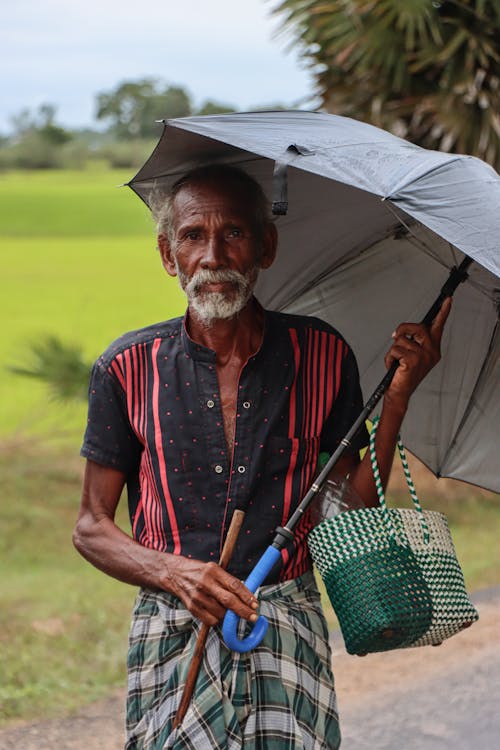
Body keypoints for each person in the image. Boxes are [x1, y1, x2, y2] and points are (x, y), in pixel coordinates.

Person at [74, 164, 450, 749]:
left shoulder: (323, 354)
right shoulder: (126, 368)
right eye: (193, 236)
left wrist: (396, 399)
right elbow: (91, 528)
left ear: (266, 246)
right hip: (175, 627)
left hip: (286, 623)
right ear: (168, 256)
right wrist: (176, 573)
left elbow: (346, 510)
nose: (214, 255)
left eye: (235, 234)